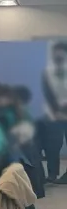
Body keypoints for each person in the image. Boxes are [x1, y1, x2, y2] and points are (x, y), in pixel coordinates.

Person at [41, 41, 67, 182]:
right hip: (54, 114)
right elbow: (47, 93)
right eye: (55, 52)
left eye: (61, 52)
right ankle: (52, 174)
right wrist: (56, 111)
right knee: (52, 145)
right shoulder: (47, 72)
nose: (57, 55)